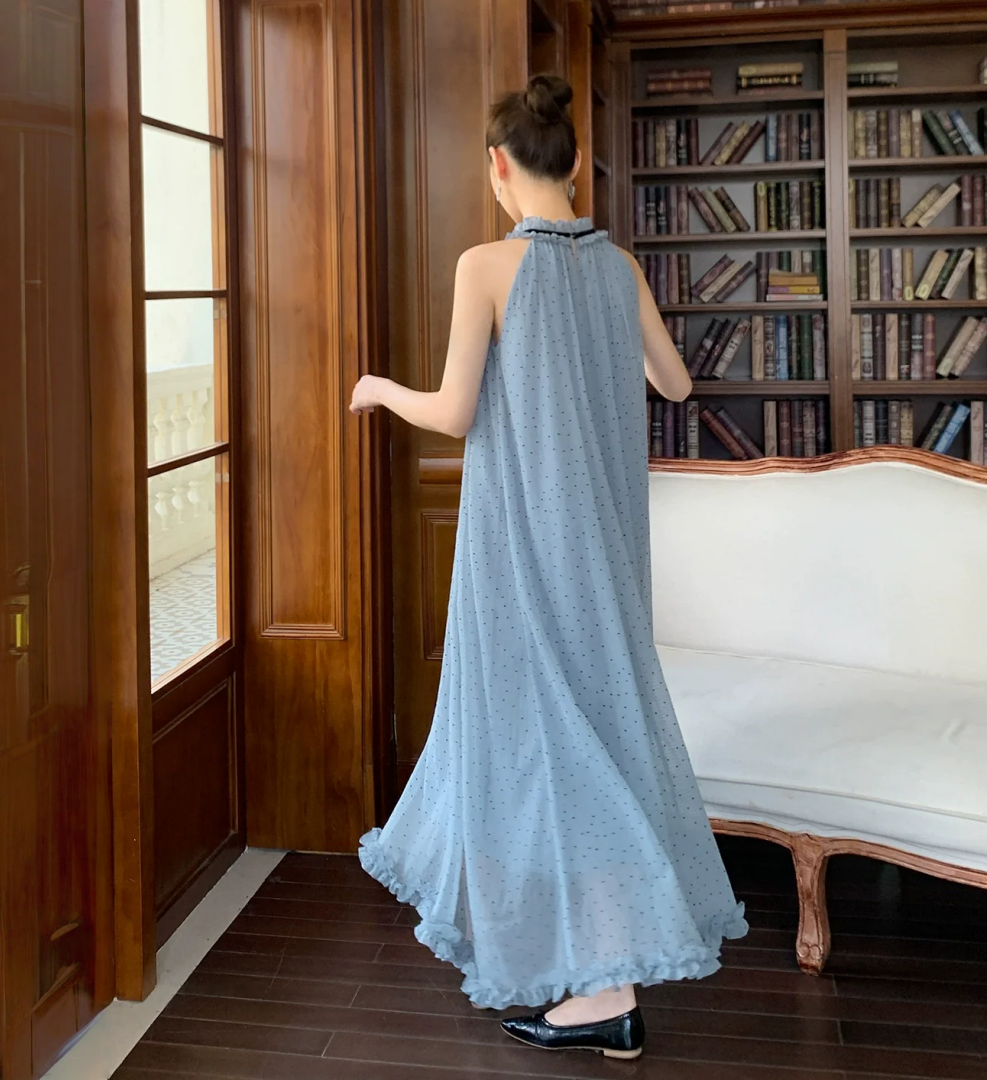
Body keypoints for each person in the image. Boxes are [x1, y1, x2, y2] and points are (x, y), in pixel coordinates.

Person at [350, 73, 748, 1061]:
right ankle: (594, 974)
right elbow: (676, 383)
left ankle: (605, 988)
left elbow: (453, 412)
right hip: (606, 550)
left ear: (498, 165)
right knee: (593, 733)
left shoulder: (486, 265)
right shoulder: (620, 268)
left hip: (521, 547)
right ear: (573, 164)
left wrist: (378, 388)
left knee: (539, 744)